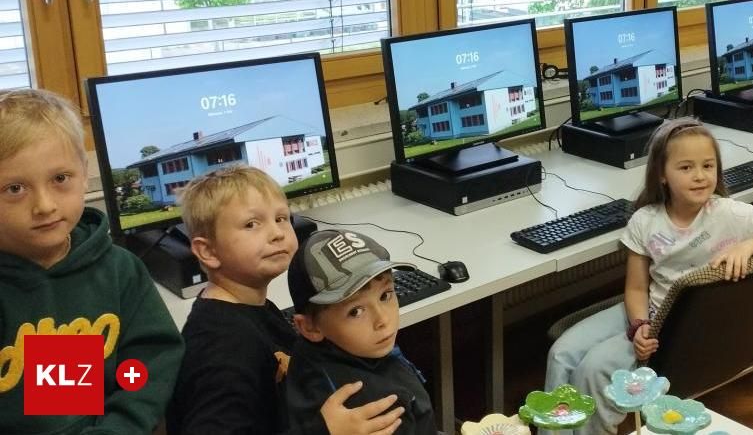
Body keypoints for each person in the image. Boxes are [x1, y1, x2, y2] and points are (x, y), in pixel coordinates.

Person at [545, 119, 753, 435]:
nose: (699, 176)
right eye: (685, 168)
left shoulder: (728, 213)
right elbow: (636, 288)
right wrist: (639, 325)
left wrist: (749, 245)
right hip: (647, 312)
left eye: (707, 166)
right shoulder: (645, 221)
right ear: (662, 173)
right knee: (562, 353)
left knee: (594, 367)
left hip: (678, 331)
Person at [167, 164, 402, 434]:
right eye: (252, 224)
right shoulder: (222, 348)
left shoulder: (251, 307)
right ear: (207, 251)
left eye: (281, 218)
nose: (277, 233)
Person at [0, 88, 183, 433]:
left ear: (84, 174)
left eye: (59, 179)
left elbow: (147, 364)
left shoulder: (118, 271)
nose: (44, 205)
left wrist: (119, 426)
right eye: (15, 189)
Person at [286, 229, 435, 435]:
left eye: (385, 295)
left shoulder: (314, 353)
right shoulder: (372, 405)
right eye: (355, 311)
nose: (382, 320)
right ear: (308, 327)